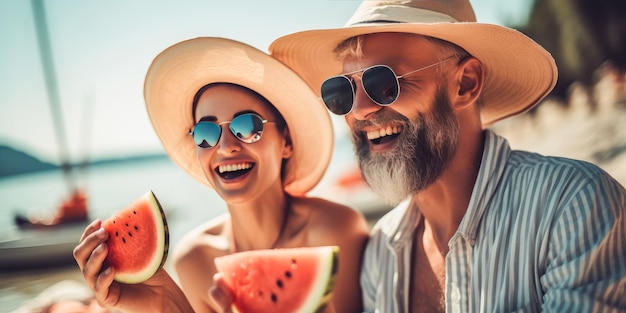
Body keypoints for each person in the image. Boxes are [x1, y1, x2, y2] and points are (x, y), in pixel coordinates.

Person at [269, 0, 626, 312]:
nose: (360, 111)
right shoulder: (380, 253)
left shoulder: (574, 205)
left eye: (383, 83)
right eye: (341, 92)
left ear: (465, 83)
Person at [73, 37, 369, 313]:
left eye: (248, 126)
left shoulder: (336, 230)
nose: (226, 146)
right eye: (206, 132)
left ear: (286, 142)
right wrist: (168, 305)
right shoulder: (194, 259)